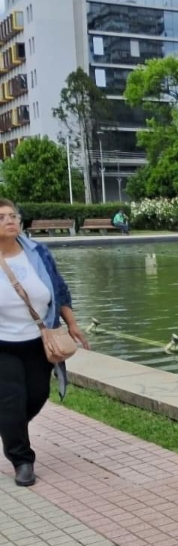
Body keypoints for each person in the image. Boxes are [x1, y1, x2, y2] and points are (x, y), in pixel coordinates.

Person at [0, 199, 88, 486]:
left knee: (37, 395)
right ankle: (22, 460)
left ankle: (9, 425)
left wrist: (72, 324)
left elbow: (59, 289)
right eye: (1, 218)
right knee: (12, 399)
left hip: (40, 340)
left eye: (13, 215)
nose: (10, 221)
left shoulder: (38, 252)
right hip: (3, 344)